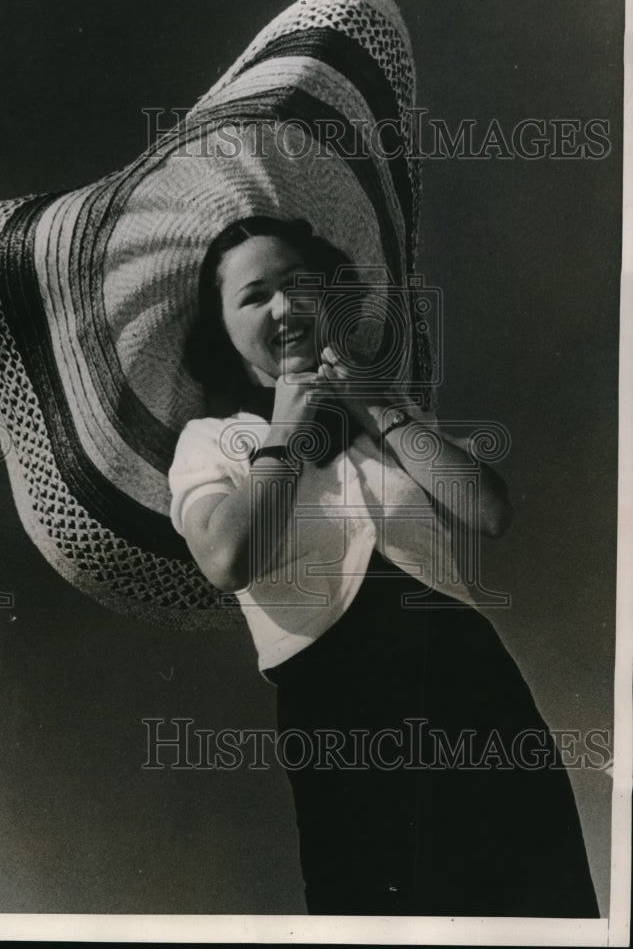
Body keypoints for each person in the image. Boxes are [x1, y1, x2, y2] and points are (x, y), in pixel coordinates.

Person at [168, 215, 600, 918]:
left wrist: (381, 410)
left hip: (470, 686)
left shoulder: (388, 414)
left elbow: (488, 512)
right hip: (339, 710)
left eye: (297, 285)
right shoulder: (211, 443)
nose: (282, 308)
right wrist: (285, 428)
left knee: (535, 902)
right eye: (254, 296)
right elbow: (224, 559)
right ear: (221, 329)